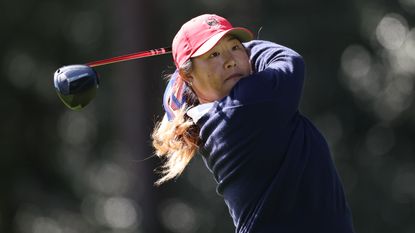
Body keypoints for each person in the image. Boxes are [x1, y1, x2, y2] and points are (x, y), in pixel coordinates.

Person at [152, 14, 355, 233]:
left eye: (235, 48)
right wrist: (247, 48)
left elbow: (181, 93)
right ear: (187, 75)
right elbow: (288, 60)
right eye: (215, 54)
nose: (230, 60)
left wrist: (192, 69)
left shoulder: (209, 117)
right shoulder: (245, 107)